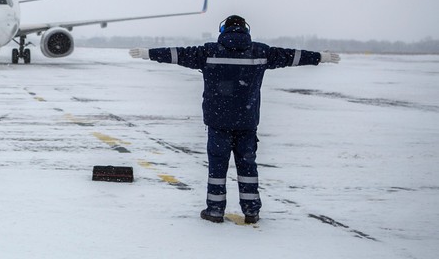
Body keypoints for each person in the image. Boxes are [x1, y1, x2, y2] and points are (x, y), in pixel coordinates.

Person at [128, 15, 340, 224]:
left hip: (218, 122)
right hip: (246, 122)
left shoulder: (208, 52)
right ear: (246, 30)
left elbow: (177, 54)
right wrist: (320, 57)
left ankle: (215, 210)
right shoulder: (260, 52)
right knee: (248, 167)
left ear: (223, 30)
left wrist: (148, 53)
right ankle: (251, 211)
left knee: (217, 169)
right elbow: (292, 56)